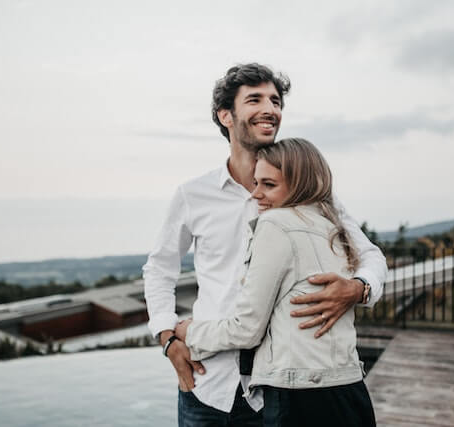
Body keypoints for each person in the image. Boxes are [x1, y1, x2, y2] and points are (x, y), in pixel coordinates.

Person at [143, 63, 387, 426]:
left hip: (278, 394)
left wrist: (358, 288)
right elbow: (159, 269)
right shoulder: (192, 195)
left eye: (275, 100)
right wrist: (167, 338)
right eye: (255, 99)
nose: (270, 109)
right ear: (225, 115)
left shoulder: (312, 195)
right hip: (206, 383)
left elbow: (369, 254)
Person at [175, 138, 377, 426]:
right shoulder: (333, 227)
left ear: (300, 184)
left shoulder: (275, 224)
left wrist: (190, 332)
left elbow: (247, 330)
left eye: (268, 185)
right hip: (349, 389)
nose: (256, 195)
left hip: (299, 397)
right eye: (256, 183)